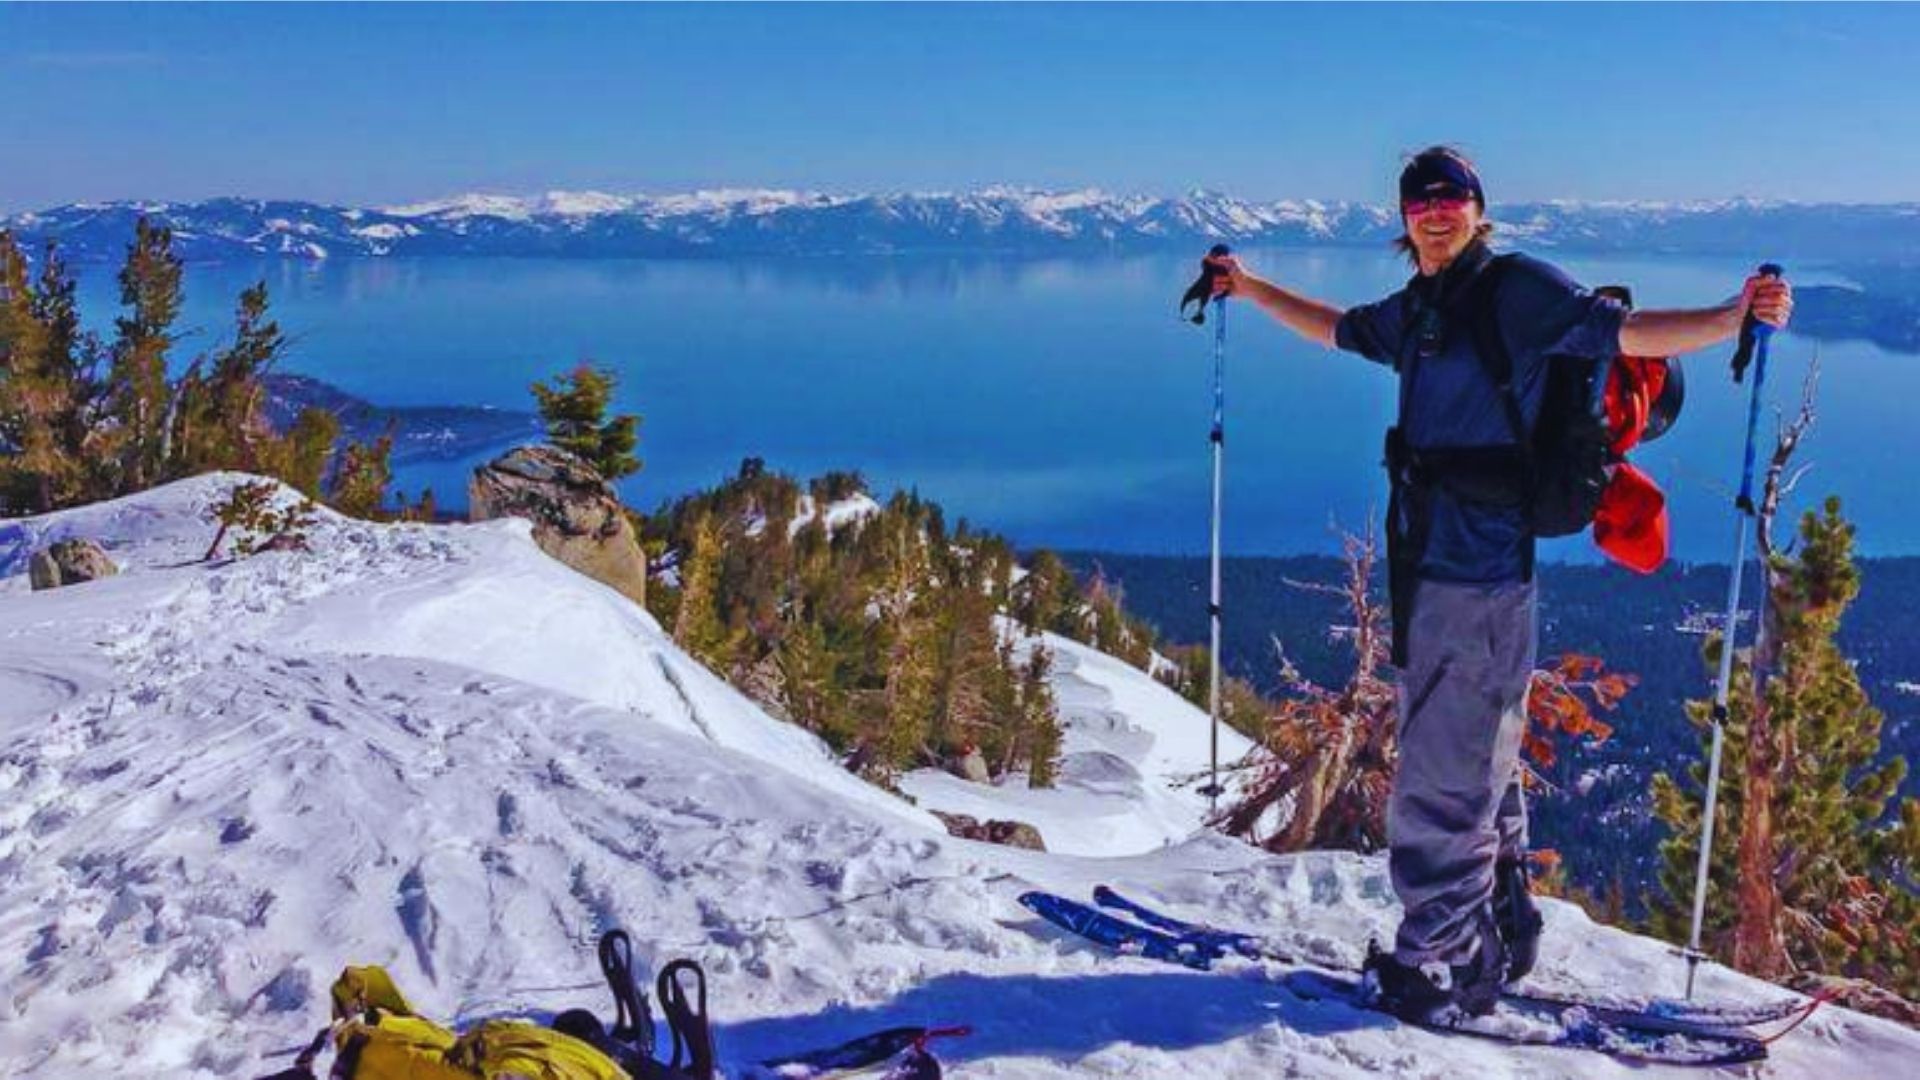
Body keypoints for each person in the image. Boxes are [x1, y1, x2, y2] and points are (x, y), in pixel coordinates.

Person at [1205, 145, 1791, 1020]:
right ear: (1405, 220)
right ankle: (1499, 924)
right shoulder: (1422, 306)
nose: (1436, 211)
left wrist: (1732, 314)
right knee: (1478, 753)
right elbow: (1338, 328)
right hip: (1432, 567)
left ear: (1479, 210)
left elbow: (1625, 333)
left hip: (1477, 575)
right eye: (1420, 201)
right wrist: (1249, 289)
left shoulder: (1518, 290)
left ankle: (1440, 964)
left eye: (1453, 198)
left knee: (1442, 777)